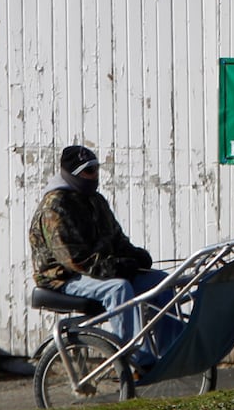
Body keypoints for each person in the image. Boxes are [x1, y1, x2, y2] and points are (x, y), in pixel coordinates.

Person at [29, 145, 179, 363]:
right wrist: (115, 268)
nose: (94, 176)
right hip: (63, 278)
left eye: (96, 169)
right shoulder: (56, 207)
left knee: (162, 282)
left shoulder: (95, 201)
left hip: (98, 270)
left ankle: (172, 350)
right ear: (72, 174)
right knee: (118, 288)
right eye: (88, 172)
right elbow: (74, 260)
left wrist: (135, 255)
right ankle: (133, 358)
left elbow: (116, 237)